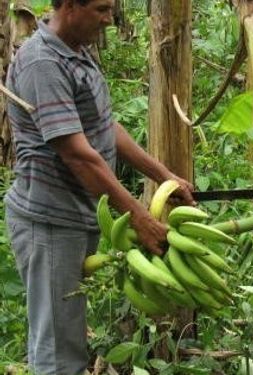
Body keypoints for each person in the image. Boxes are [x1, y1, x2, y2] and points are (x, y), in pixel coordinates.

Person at [3, 0, 195, 373]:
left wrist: (163, 175)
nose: (110, 19)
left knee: (65, 334)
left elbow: (104, 127)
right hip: (50, 221)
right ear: (71, 6)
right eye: (102, 9)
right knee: (59, 351)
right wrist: (139, 217)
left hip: (75, 214)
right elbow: (78, 155)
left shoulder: (76, 51)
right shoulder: (44, 63)